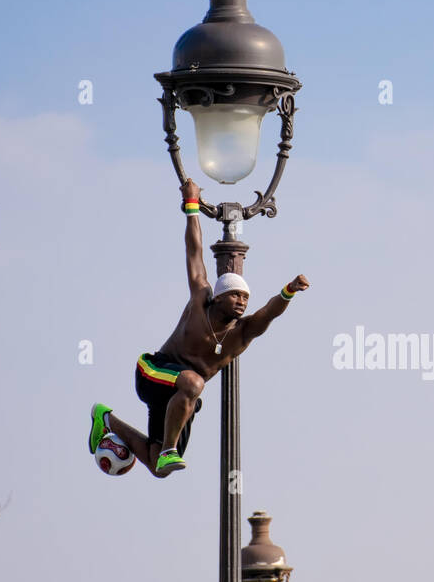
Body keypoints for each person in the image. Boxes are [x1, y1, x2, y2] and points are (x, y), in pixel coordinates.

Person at [87, 178, 309, 476]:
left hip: (180, 401)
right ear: (218, 297)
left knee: (158, 468)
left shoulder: (241, 333)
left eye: (245, 297)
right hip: (154, 372)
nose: (242, 302)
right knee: (193, 383)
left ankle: (106, 419)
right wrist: (192, 205)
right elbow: (194, 251)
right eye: (235, 295)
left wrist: (289, 291)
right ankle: (168, 450)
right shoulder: (200, 300)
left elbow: (269, 313)